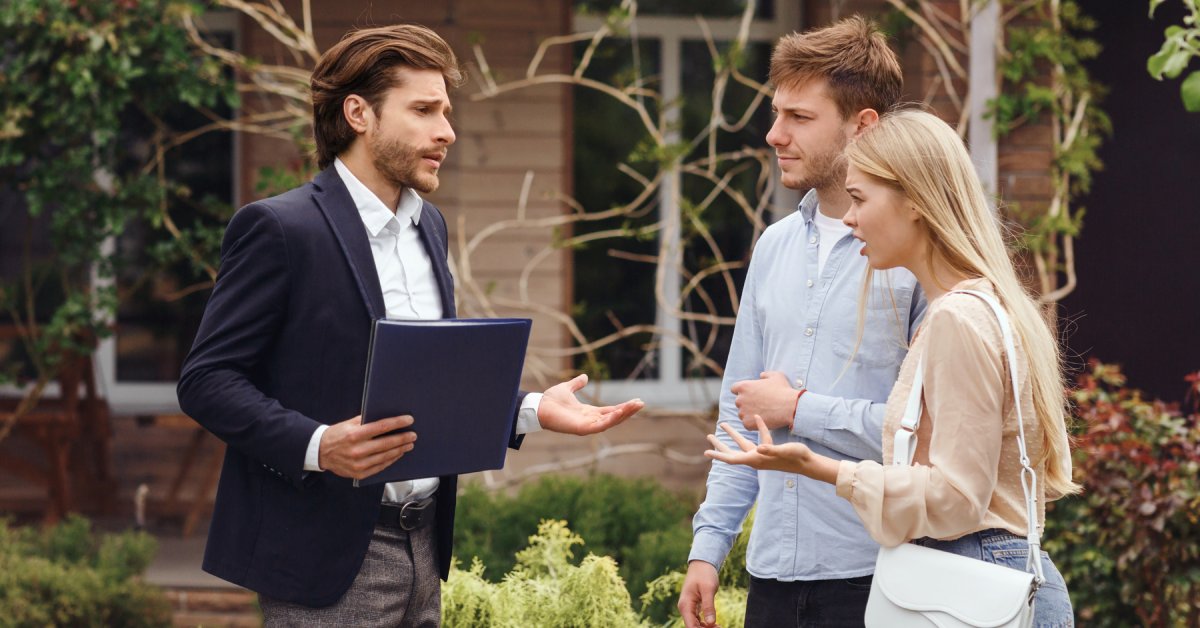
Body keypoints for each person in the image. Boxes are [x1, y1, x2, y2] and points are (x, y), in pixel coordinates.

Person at [176, 24, 644, 626]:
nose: (446, 131)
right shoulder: (279, 229)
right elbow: (207, 380)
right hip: (324, 558)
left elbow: (422, 385)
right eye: (423, 110)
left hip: (424, 548)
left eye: (446, 111)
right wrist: (319, 447)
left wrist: (527, 410)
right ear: (358, 114)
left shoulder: (430, 227)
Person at [706, 109, 1077, 627]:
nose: (850, 218)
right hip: (984, 575)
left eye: (860, 199)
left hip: (972, 579)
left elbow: (956, 499)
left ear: (916, 203)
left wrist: (820, 467)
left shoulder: (958, 319)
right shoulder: (977, 306)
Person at [678, 16, 926, 628]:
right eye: (776, 113)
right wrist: (709, 550)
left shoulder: (919, 259)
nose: (773, 135)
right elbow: (741, 411)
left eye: (799, 118)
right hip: (772, 582)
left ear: (862, 124)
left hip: (879, 577)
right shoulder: (774, 247)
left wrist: (799, 408)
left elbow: (923, 438)